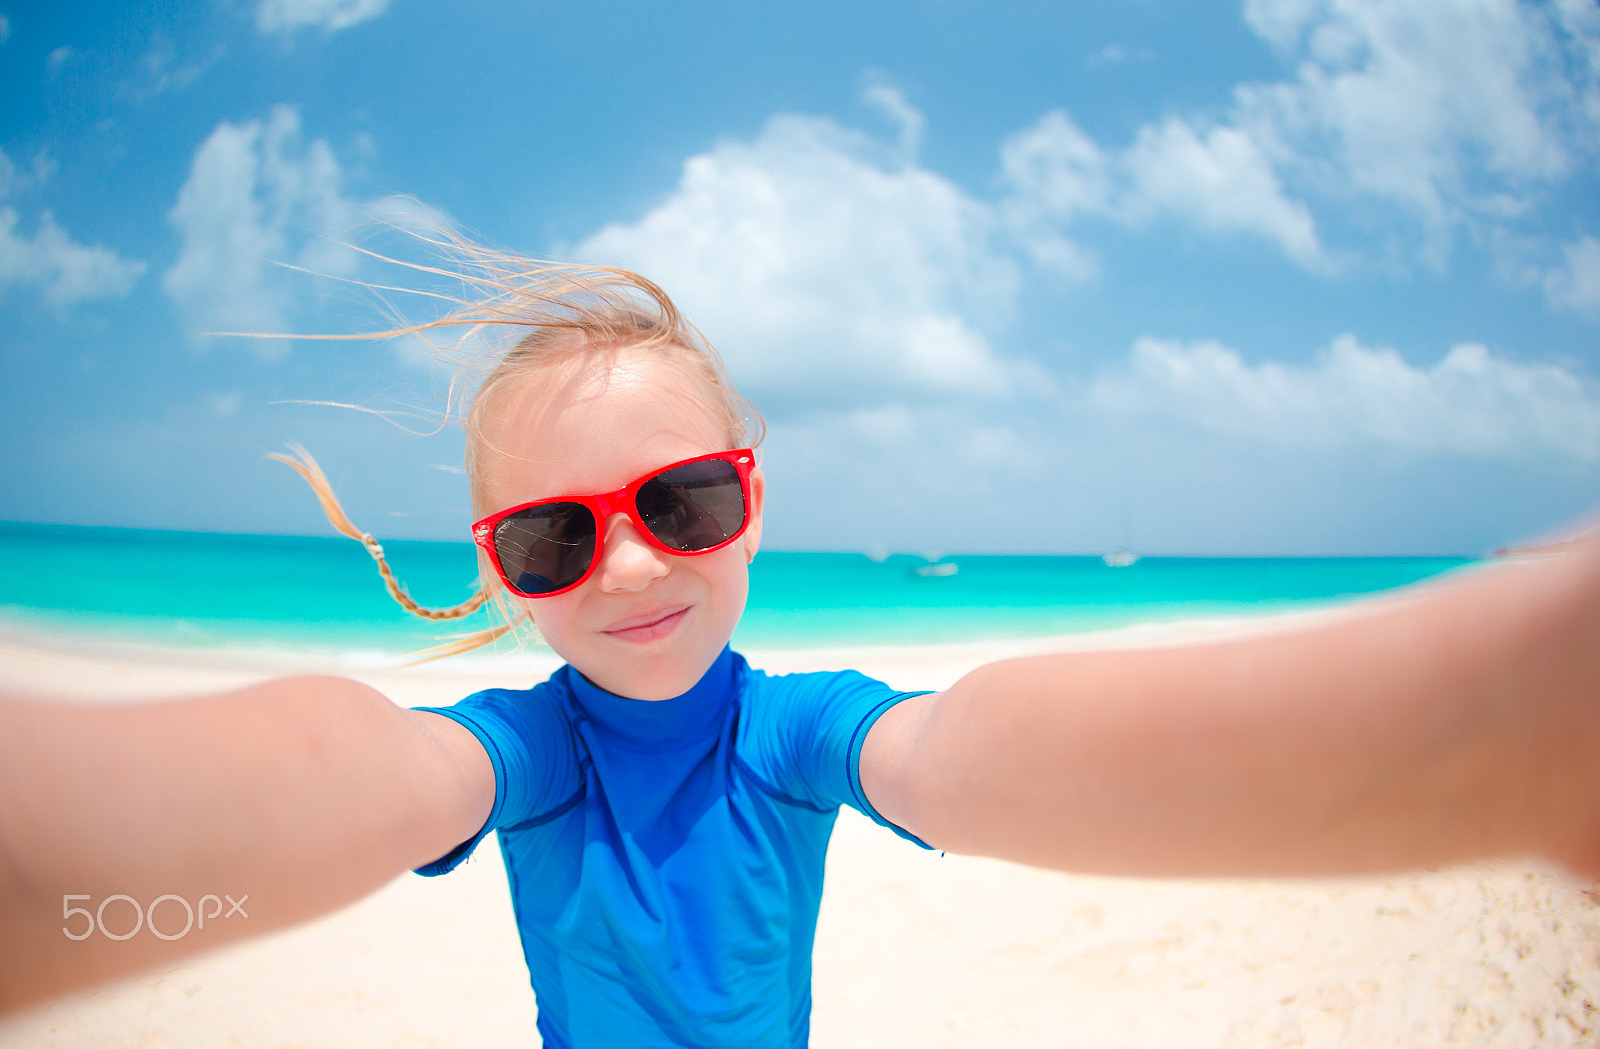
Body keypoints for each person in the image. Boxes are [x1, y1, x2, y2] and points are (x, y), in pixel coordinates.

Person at [2, 244, 1599, 1046]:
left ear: (752, 502)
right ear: (505, 573)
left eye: (681, 500)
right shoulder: (524, 751)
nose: (627, 558)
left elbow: (981, 752)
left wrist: (1474, 718)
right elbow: (349, 765)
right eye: (557, 533)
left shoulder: (795, 727)